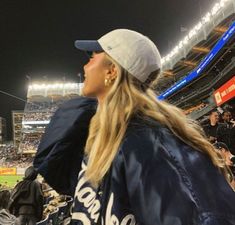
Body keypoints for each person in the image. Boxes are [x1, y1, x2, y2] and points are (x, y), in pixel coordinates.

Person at [34, 29, 235, 225]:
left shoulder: (148, 143)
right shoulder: (105, 136)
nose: (85, 67)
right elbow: (54, 165)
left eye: (92, 58)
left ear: (112, 70)